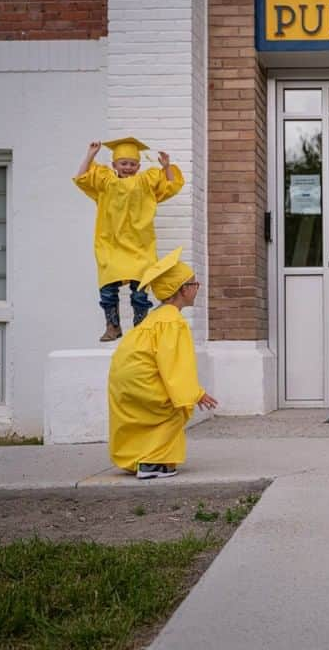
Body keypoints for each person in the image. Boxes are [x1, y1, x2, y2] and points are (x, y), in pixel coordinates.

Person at [107, 247, 217, 479]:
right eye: (193, 283)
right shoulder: (172, 322)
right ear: (182, 290)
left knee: (143, 417)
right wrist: (195, 393)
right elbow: (174, 365)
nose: (197, 288)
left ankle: (137, 459)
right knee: (173, 409)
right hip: (143, 380)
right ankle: (152, 463)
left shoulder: (155, 319)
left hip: (126, 380)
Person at [75, 137, 185, 341]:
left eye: (132, 164)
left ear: (138, 166)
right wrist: (90, 155)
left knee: (140, 291)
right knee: (108, 289)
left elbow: (170, 185)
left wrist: (167, 166)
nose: (128, 167)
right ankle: (113, 327)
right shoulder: (106, 181)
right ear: (114, 164)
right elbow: (82, 178)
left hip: (139, 245)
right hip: (110, 243)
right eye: (123, 163)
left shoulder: (145, 181)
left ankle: (140, 327)